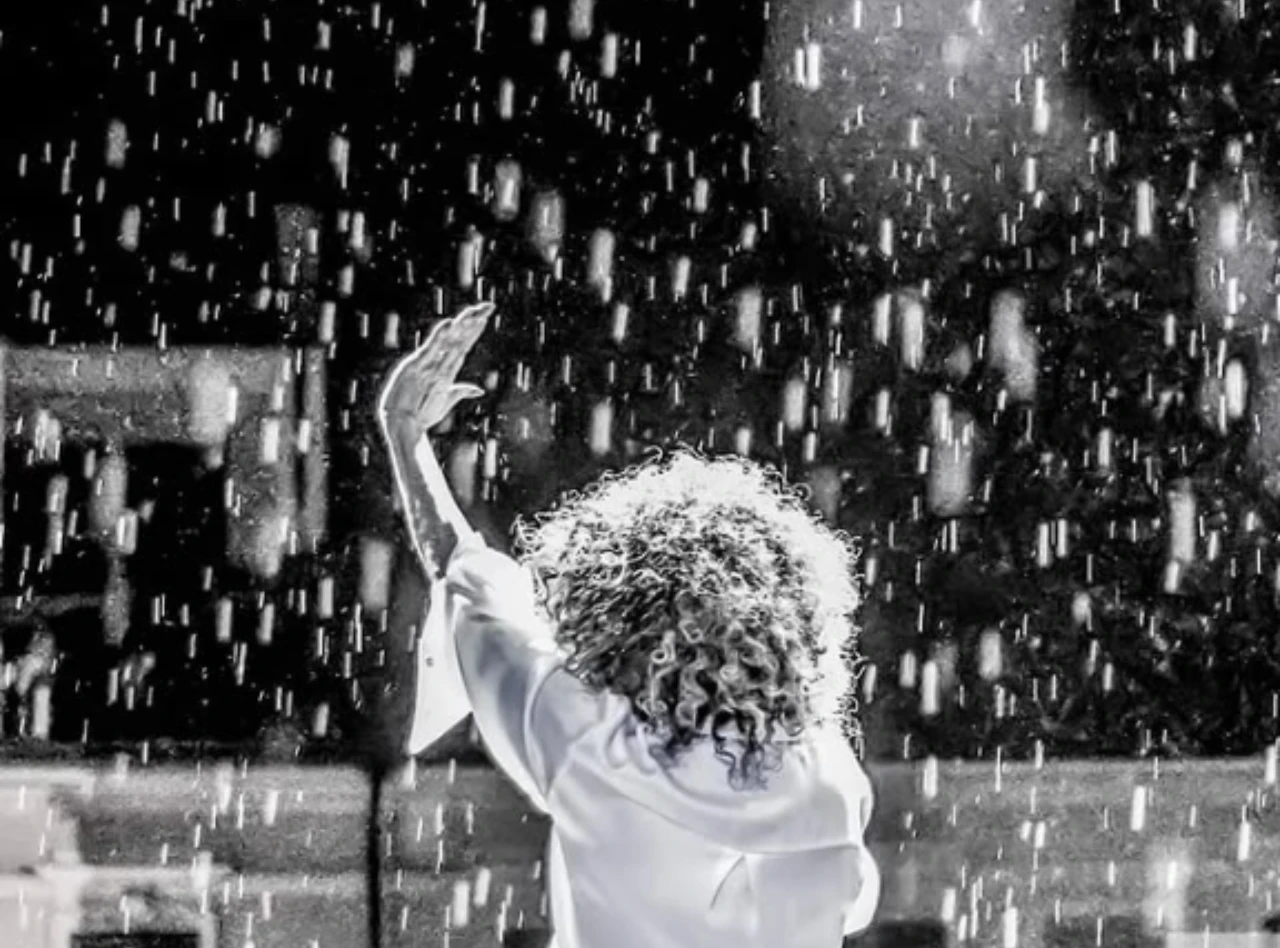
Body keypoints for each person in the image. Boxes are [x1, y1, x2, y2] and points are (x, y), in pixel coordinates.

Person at [378, 302, 880, 948]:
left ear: (622, 618)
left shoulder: (580, 738)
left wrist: (404, 434)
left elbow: (465, 571)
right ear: (787, 624)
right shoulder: (825, 779)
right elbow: (850, 902)